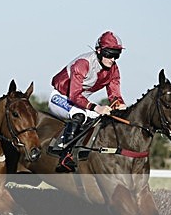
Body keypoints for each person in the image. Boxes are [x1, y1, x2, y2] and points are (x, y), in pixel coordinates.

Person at [48, 31, 127, 172]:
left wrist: (120, 106)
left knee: (99, 121)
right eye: (109, 54)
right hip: (61, 97)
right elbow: (74, 95)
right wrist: (96, 107)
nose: (112, 59)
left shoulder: (113, 70)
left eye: (116, 55)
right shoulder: (83, 63)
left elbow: (115, 95)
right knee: (80, 116)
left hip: (79, 102)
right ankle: (64, 157)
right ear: (99, 51)